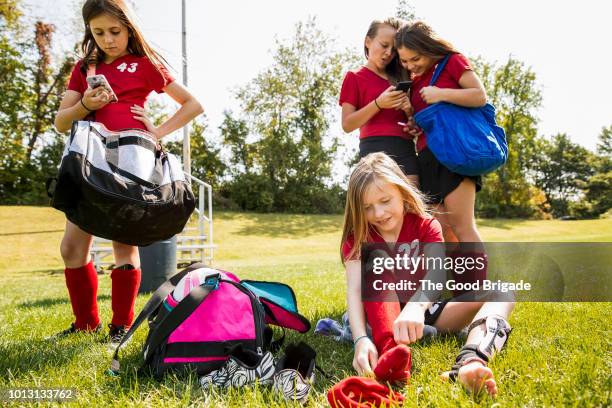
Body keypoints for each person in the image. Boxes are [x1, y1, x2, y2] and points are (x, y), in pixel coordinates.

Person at [52, 0, 203, 345]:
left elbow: (193, 104)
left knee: (124, 246)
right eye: (98, 32)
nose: (107, 39)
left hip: (133, 162)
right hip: (89, 162)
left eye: (115, 31)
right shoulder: (84, 69)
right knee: (71, 248)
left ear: (130, 28)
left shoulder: (146, 64)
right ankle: (85, 323)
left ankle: (120, 326)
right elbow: (61, 122)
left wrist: (157, 132)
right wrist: (86, 106)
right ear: (89, 31)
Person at [341, 152, 514, 396]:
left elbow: (436, 274)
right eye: (368, 207)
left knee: (501, 293)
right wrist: (360, 339)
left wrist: (416, 307)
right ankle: (391, 352)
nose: (378, 213)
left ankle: (470, 362)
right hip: (375, 318)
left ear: (402, 192)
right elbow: (355, 289)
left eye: (385, 200)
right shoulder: (359, 236)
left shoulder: (426, 224)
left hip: (421, 311)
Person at [339, 17, 420, 185]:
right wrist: (378, 104)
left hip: (406, 149)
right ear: (368, 41)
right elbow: (347, 124)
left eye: (394, 49)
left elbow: (415, 126)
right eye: (384, 45)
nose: (389, 53)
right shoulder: (354, 77)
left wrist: (409, 111)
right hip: (373, 151)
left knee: (412, 209)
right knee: (379, 209)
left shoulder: (402, 77)